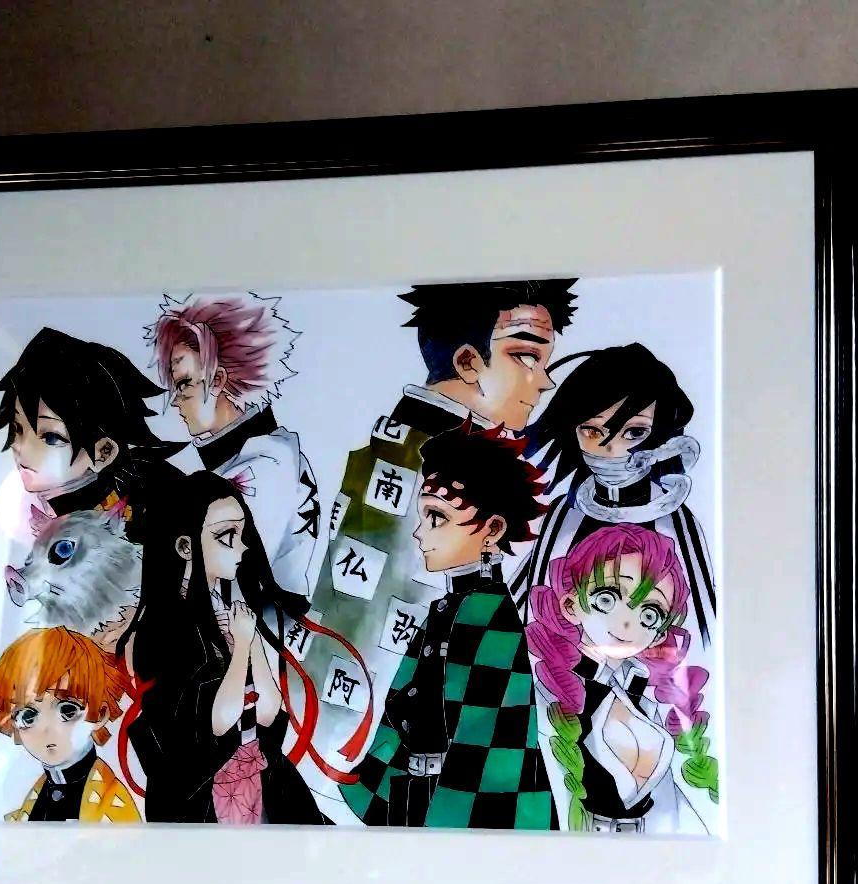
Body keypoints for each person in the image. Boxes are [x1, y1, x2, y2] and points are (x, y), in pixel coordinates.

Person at [301, 280, 579, 792]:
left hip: (346, 745)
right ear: (469, 361)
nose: (543, 383)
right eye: (526, 357)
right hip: (374, 761)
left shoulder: (396, 445)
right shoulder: (444, 473)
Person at [340, 421, 555, 829]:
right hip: (425, 801)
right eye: (422, 516)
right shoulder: (453, 607)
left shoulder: (488, 616)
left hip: (465, 818)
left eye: (437, 517)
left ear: (493, 529)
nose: (419, 533)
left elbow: (487, 745)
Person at [118, 471, 365, 824]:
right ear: (185, 547)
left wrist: (251, 645)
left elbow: (268, 712)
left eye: (241, 533)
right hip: (202, 799)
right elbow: (217, 724)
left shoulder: (232, 612)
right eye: (226, 536)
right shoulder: (161, 630)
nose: (242, 547)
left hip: (259, 779)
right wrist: (243, 647)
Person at [510, 343, 715, 646]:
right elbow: (525, 602)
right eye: (592, 431)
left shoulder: (676, 521)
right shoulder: (564, 515)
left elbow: (705, 624)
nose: (611, 449)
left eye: (634, 432)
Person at [525, 524, 718, 834]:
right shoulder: (549, 696)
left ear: (659, 635)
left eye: (650, 614)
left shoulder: (643, 701)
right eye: (607, 599)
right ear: (571, 605)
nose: (627, 622)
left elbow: (668, 799)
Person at [146, 294, 319, 597]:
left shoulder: (259, 471)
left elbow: (218, 585)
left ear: (217, 380)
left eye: (184, 384)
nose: (175, 400)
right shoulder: (270, 453)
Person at [0, 327, 184, 545]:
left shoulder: (143, 507)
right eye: (17, 428)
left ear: (103, 452)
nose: (20, 447)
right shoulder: (53, 505)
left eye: (51, 437)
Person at [0, 626, 140, 823]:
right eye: (28, 716)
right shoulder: (27, 805)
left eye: (67, 710)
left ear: (100, 715)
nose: (47, 729)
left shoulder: (115, 809)